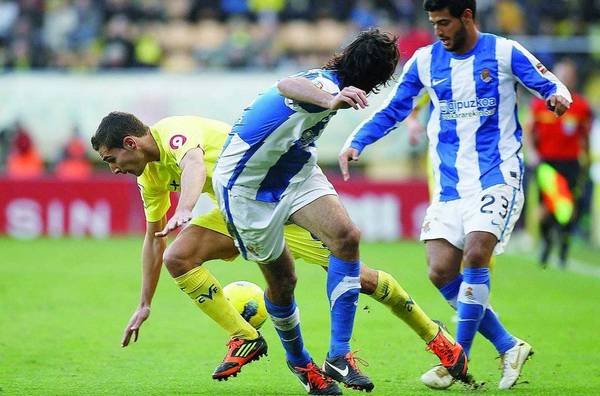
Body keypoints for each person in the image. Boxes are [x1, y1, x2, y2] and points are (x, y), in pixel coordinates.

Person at [91, 112, 467, 390]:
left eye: (111, 160)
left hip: (283, 200)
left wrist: (186, 208)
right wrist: (144, 302)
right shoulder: (149, 178)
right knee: (178, 256)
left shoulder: (174, 132)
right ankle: (246, 337)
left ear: (130, 144)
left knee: (362, 279)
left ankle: (438, 339)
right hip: (241, 211)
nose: (113, 169)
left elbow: (191, 164)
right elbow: (152, 239)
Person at [338, 0, 572, 390]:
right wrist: (356, 142)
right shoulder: (426, 61)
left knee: (476, 252)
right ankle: (507, 345)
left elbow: (549, 84)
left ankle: (455, 361)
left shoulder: (504, 52)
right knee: (441, 270)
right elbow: (395, 109)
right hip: (449, 185)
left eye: (444, 22)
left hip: (498, 175)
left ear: (467, 16)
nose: (438, 31)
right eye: (433, 24)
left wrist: (557, 97)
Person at [525, 58, 593, 268]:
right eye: (562, 74)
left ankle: (563, 243)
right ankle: (547, 243)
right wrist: (532, 152)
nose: (565, 78)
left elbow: (585, 136)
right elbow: (528, 130)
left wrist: (586, 158)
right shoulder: (539, 104)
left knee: (568, 207)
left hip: (571, 162)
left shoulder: (580, 106)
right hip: (547, 162)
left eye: (569, 75)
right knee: (546, 207)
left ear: (573, 79)